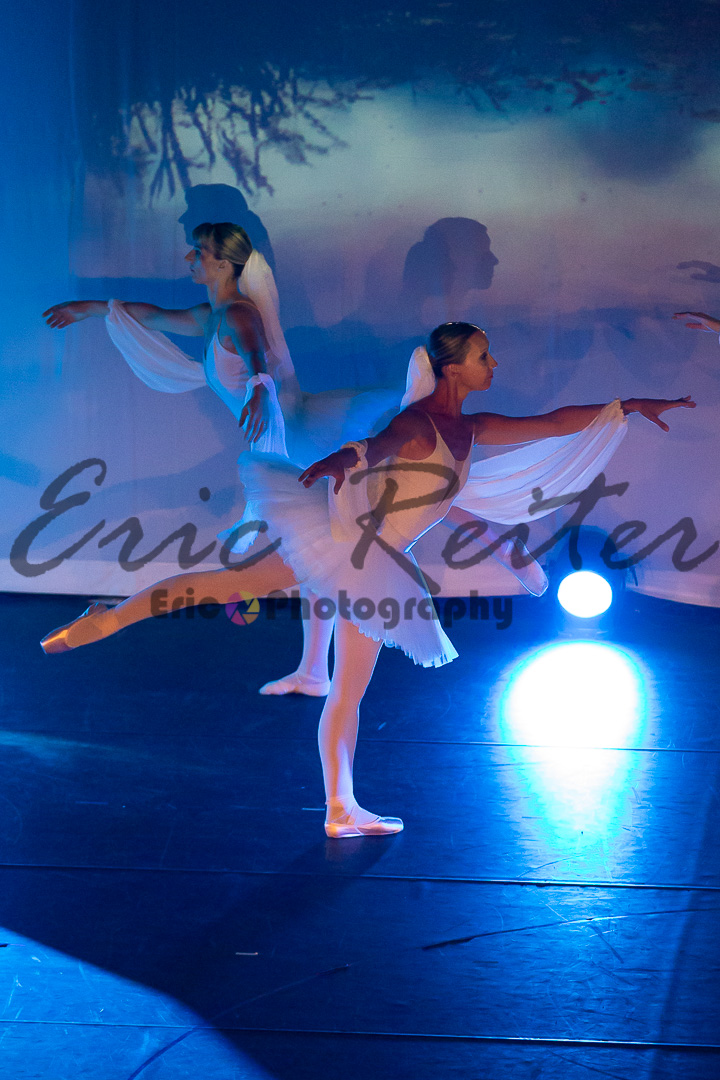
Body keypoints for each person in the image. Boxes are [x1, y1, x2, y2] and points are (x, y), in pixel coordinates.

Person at [40, 322, 696, 837]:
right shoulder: (418, 424)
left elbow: (552, 423)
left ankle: (337, 805)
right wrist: (343, 457)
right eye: (484, 355)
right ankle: (336, 804)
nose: (494, 364)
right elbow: (377, 446)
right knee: (306, 659)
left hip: (365, 558)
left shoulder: (470, 429)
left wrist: (630, 405)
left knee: (266, 621)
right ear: (452, 368)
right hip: (358, 553)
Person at [42, 222, 336, 697]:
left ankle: (315, 672)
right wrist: (89, 309)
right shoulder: (211, 315)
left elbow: (257, 357)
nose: (190, 258)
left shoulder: (239, 313)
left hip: (293, 453)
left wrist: (260, 388)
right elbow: (153, 316)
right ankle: (315, 673)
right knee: (312, 563)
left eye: (199, 251)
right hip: (280, 454)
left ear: (223, 262)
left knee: (309, 562)